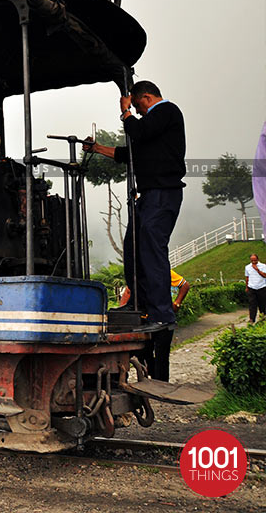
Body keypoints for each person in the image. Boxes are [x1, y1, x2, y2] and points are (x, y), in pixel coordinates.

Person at [85, 80, 185, 381]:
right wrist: (95, 148)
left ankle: (162, 315)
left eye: (138, 105)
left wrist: (125, 112)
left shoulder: (167, 111)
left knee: (152, 251)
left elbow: (137, 131)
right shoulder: (151, 129)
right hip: (149, 196)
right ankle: (140, 305)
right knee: (133, 250)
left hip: (162, 193)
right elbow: (127, 154)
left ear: (146, 97)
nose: (137, 111)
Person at [118, 269, 190, 313]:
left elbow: (184, 285)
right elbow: (128, 291)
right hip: (141, 318)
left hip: (161, 316)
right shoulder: (137, 275)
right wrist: (121, 315)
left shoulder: (162, 271)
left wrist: (177, 304)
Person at [245, 254, 266, 323]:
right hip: (252, 287)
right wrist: (247, 287)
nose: (253, 262)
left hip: (261, 287)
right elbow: (247, 277)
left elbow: (265, 275)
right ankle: (252, 319)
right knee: (252, 304)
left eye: (255, 260)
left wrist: (257, 270)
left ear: (257, 259)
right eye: (252, 260)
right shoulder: (247, 267)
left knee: (262, 304)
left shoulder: (263, 266)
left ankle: (263, 317)